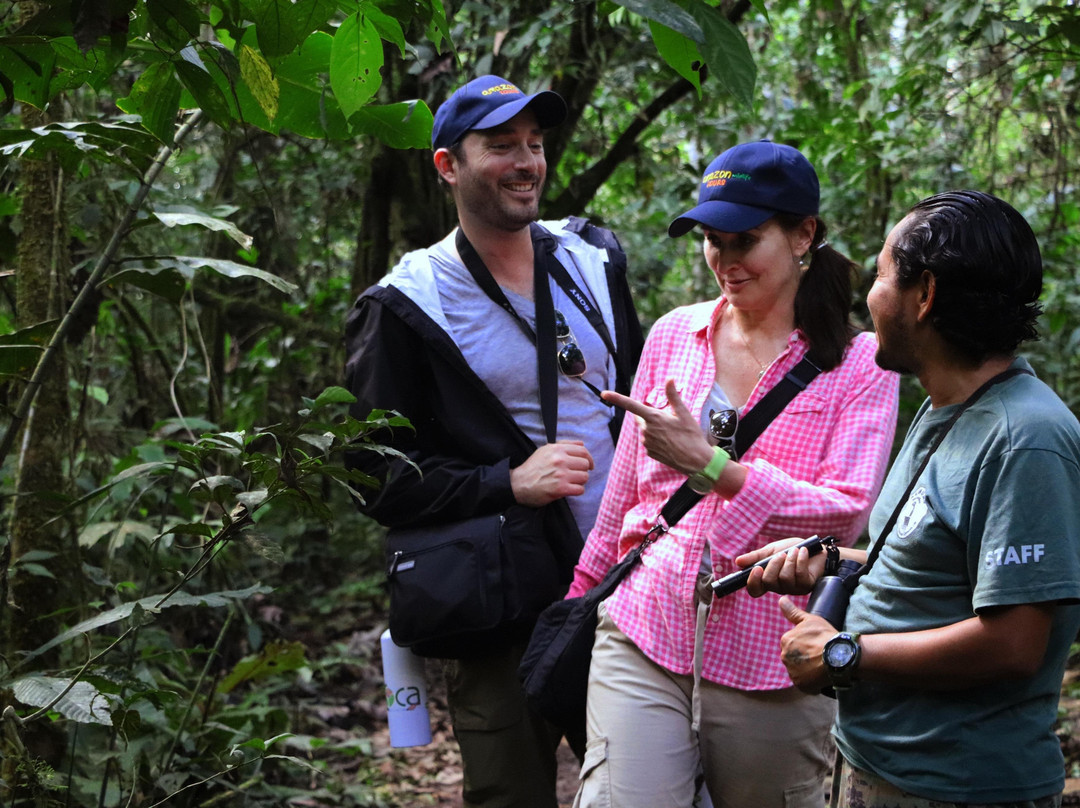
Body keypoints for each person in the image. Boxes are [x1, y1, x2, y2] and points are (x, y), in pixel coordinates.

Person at [567, 140, 899, 808]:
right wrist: (581, 596)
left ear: (804, 234)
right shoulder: (672, 335)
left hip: (770, 658)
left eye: (744, 239)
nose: (724, 259)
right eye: (711, 240)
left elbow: (845, 511)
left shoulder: (860, 365)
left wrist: (715, 468)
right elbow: (626, 491)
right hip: (644, 629)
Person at [343, 74, 644, 808]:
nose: (527, 162)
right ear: (448, 164)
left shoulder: (593, 262)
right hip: (503, 600)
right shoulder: (407, 304)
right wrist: (504, 481)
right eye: (502, 145)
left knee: (649, 787)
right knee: (511, 793)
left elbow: (636, 406)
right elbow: (375, 478)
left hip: (621, 585)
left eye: (535, 144)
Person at [741, 190, 1080, 807]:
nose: (867, 295)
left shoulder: (1025, 439)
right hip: (882, 764)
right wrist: (833, 561)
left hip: (960, 786)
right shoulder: (942, 407)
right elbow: (937, 567)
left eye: (879, 273)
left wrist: (843, 653)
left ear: (923, 295)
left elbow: (1014, 642)